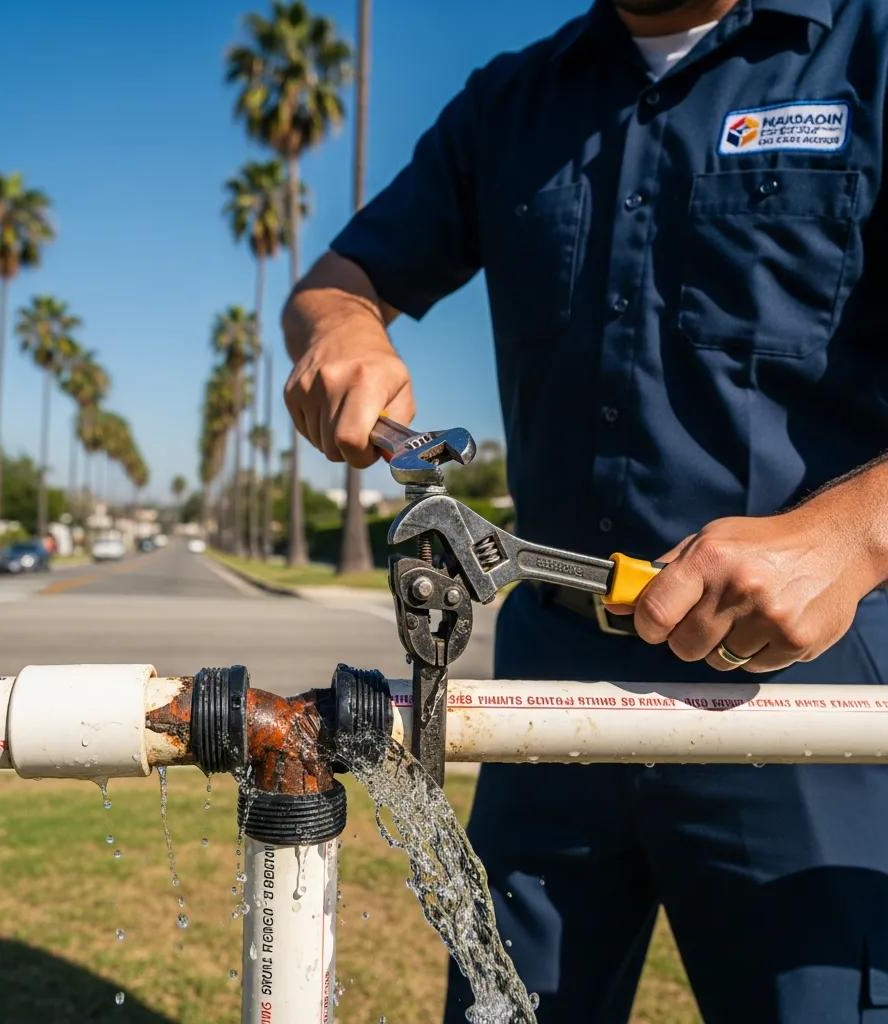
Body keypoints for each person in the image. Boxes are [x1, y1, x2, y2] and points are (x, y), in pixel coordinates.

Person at [282, 0, 888, 1020]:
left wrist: (854, 530)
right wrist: (341, 328)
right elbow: (338, 281)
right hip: (547, 686)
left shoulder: (870, 47)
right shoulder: (509, 103)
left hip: (800, 689)